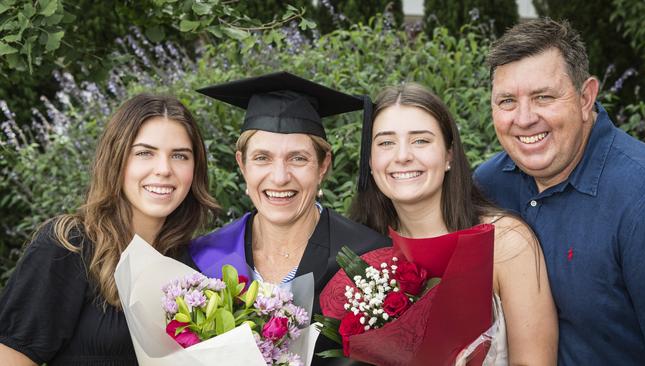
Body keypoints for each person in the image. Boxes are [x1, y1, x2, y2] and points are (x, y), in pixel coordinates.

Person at [473, 18, 645, 365]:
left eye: (543, 97)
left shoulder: (641, 196)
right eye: (507, 101)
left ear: (586, 98)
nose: (523, 119)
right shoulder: (488, 186)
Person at [188, 72, 390, 366]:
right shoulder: (202, 262)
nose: (280, 177)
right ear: (241, 164)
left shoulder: (368, 261)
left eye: (298, 158)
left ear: (323, 166)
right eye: (262, 158)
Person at [0, 94, 219, 366]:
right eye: (144, 153)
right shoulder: (70, 246)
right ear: (116, 159)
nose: (164, 169)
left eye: (179, 156)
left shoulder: (189, 266)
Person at [350, 82, 558, 364]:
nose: (402, 156)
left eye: (420, 140)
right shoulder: (362, 250)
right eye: (386, 142)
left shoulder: (506, 242)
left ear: (449, 155)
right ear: (371, 161)